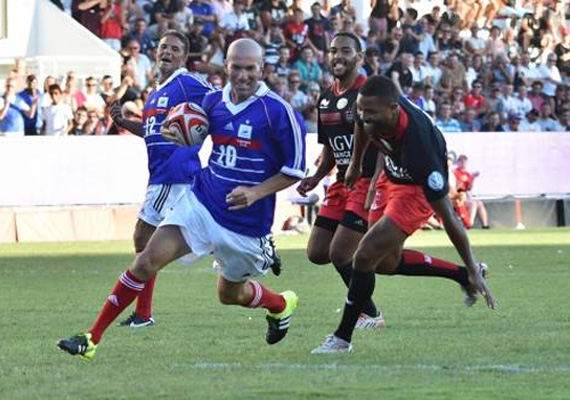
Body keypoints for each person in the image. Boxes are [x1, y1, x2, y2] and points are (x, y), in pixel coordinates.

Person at [57, 38, 305, 360]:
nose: (243, 75)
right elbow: (191, 128)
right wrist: (179, 132)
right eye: (236, 68)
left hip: (245, 224)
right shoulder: (214, 102)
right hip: (201, 203)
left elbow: (295, 169)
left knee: (229, 295)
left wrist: (256, 192)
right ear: (226, 67)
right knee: (146, 259)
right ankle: (91, 338)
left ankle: (280, 305)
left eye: (250, 69)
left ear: (262, 69)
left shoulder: (279, 112)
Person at [311, 75, 496, 354]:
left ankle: (342, 339)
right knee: (385, 263)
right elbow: (362, 126)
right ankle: (462, 276)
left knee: (363, 256)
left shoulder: (421, 150)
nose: (363, 116)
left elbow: (449, 217)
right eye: (361, 110)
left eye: (370, 112)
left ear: (394, 108)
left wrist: (470, 262)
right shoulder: (372, 111)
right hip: (390, 176)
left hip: (415, 191)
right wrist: (357, 166)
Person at [99, 30, 213, 328]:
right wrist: (125, 123)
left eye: (174, 49)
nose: (167, 52)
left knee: (143, 239)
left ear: (184, 57)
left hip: (173, 175)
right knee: (152, 243)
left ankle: (143, 313)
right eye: (163, 47)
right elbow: (152, 131)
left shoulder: (187, 83)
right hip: (162, 175)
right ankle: (143, 313)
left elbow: (217, 101)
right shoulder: (156, 91)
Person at [297, 32, 385, 330]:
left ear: (359, 57)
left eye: (346, 51)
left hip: (369, 181)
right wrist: (316, 176)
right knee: (317, 252)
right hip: (342, 182)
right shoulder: (326, 98)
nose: (337, 56)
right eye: (333, 51)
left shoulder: (370, 93)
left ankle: (370, 313)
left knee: (340, 253)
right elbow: (331, 149)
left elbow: (389, 140)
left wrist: (375, 181)